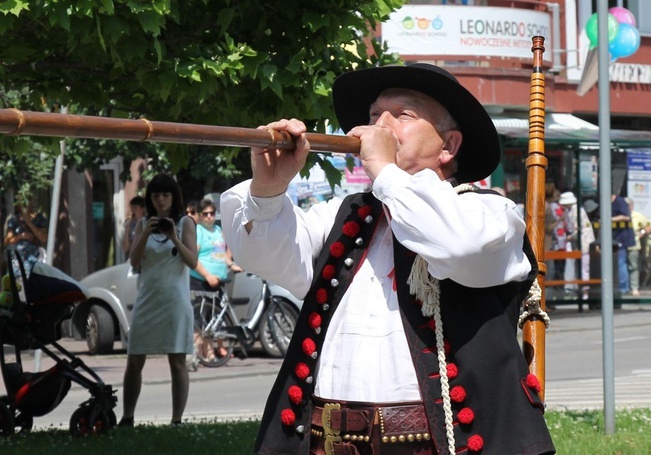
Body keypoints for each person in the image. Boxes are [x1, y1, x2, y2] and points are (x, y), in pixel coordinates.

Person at [222, 63, 555, 454]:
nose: (380, 125)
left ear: (448, 146)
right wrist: (268, 189)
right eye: (373, 115)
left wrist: (384, 170)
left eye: (403, 114)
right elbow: (265, 257)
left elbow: (456, 245)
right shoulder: (344, 214)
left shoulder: (488, 214)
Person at [119, 174, 197, 427]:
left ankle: (177, 420)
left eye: (165, 195)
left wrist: (174, 236)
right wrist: (144, 233)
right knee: (134, 359)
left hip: (175, 302)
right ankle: (127, 417)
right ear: (149, 199)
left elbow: (192, 261)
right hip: (148, 299)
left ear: (174, 197)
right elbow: (134, 261)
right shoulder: (143, 224)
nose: (161, 200)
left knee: (177, 361)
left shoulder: (185, 223)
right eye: (155, 196)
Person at [190, 198, 242, 361]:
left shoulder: (218, 230)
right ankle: (199, 353)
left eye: (212, 213)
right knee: (200, 319)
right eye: (206, 214)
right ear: (199, 215)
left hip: (218, 280)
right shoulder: (198, 231)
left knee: (213, 319)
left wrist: (231, 265)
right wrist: (207, 275)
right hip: (201, 280)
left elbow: (221, 254)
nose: (210, 217)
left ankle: (210, 352)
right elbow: (192, 258)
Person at [560, 192, 595, 299]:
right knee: (578, 267)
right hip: (577, 243)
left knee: (584, 267)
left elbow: (579, 228)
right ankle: (578, 289)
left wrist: (570, 236)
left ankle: (585, 291)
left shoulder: (577, 211)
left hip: (584, 241)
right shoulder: (568, 211)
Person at [4, 198, 49, 274]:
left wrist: (29, 223)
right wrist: (21, 236)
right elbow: (7, 241)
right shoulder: (14, 220)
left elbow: (44, 239)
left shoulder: (39, 218)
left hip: (34, 258)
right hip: (17, 260)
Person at [612, 194, 635, 294]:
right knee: (618, 262)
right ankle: (620, 286)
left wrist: (610, 219)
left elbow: (626, 216)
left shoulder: (620, 201)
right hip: (614, 237)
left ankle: (623, 287)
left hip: (622, 238)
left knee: (621, 262)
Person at [626, 198, 648, 296]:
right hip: (621, 245)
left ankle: (634, 287)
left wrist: (641, 233)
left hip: (634, 245)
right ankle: (625, 287)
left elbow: (647, 226)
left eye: (628, 205)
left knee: (633, 266)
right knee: (622, 266)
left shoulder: (638, 216)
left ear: (632, 206)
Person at [122, 196, 146, 261]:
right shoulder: (130, 224)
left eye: (135, 208)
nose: (132, 211)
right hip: (132, 260)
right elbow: (125, 247)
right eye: (131, 208)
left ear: (143, 209)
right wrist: (127, 229)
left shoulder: (147, 222)